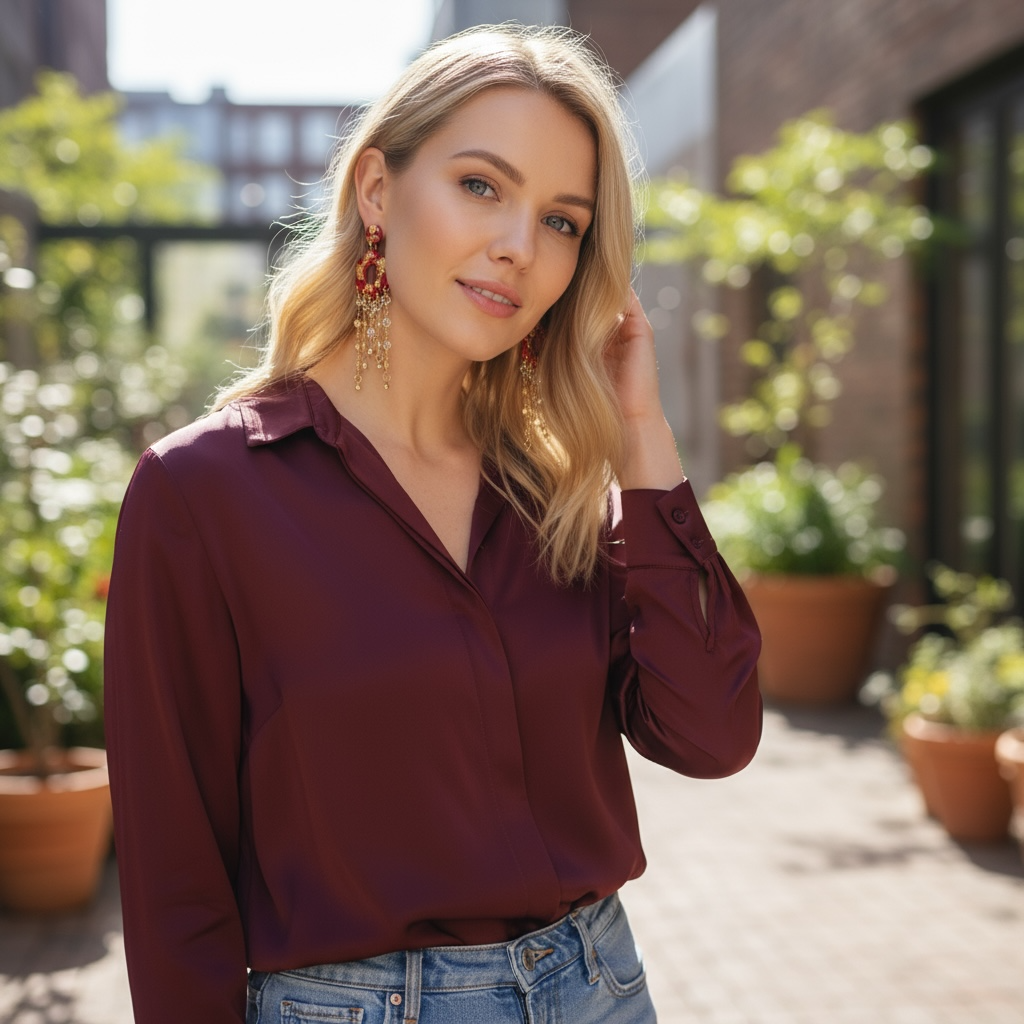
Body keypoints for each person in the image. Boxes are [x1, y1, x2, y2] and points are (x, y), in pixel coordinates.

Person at [104, 23, 762, 1024]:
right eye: (482, 186)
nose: (517, 245)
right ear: (377, 192)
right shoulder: (204, 492)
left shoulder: (552, 492)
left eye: (562, 221)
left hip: (599, 990)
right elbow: (173, 877)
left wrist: (640, 433)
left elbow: (713, 735)